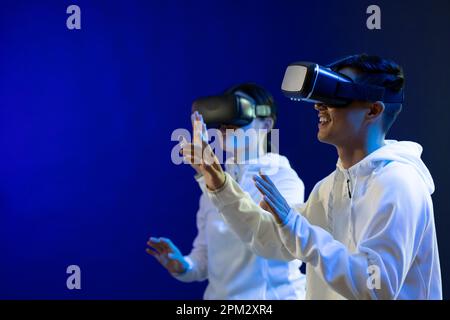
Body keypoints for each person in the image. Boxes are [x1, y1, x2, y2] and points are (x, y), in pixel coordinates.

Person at [184, 55, 442, 299]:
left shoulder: (399, 183)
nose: (319, 105)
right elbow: (268, 240)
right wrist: (219, 184)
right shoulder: (328, 189)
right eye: (319, 98)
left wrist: (295, 225)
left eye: (334, 97)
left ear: (373, 110)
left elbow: (375, 286)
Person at [147, 83, 306, 300]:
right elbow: (204, 258)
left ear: (266, 124)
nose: (226, 125)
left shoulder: (283, 179)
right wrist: (183, 265)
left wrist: (214, 180)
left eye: (237, 114)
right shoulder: (213, 184)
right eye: (223, 119)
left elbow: (276, 243)